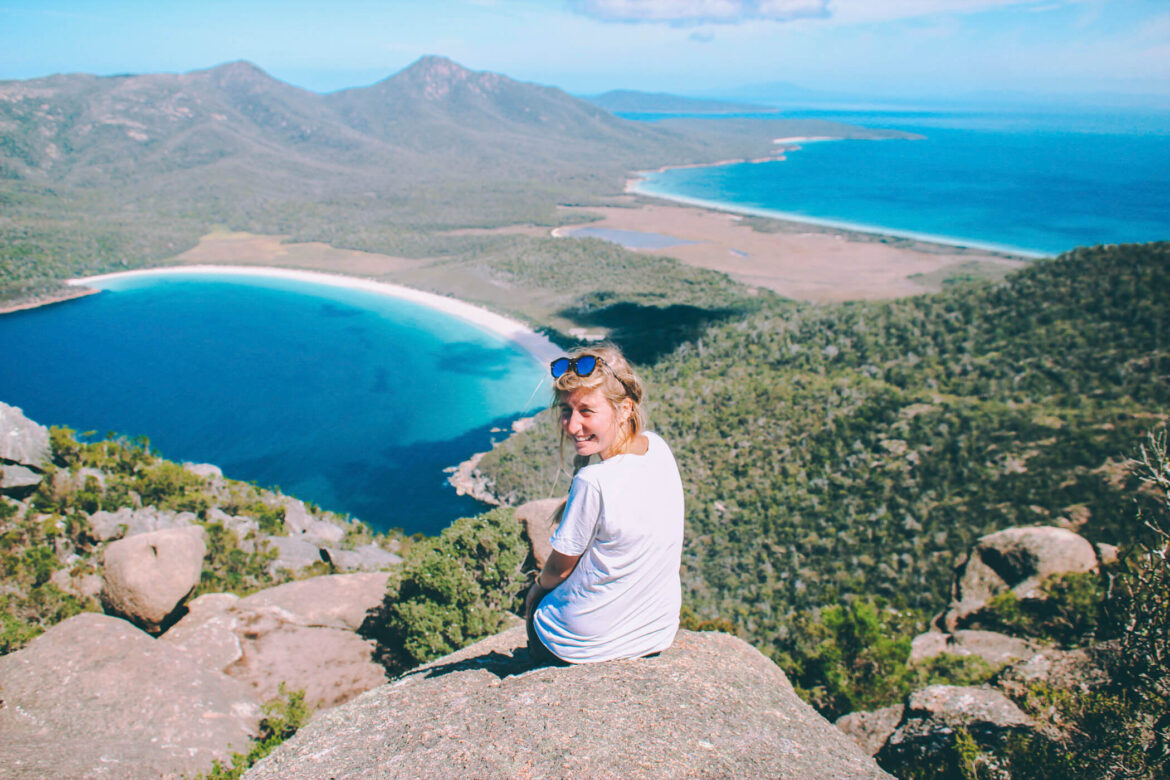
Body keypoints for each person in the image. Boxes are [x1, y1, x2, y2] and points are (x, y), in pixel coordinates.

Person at [525, 344, 685, 664]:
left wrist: (534, 596)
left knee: (540, 609)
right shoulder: (658, 447)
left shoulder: (593, 482)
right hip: (657, 631)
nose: (572, 426)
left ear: (625, 409)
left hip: (579, 643)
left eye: (586, 411)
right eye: (566, 410)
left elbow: (559, 568)